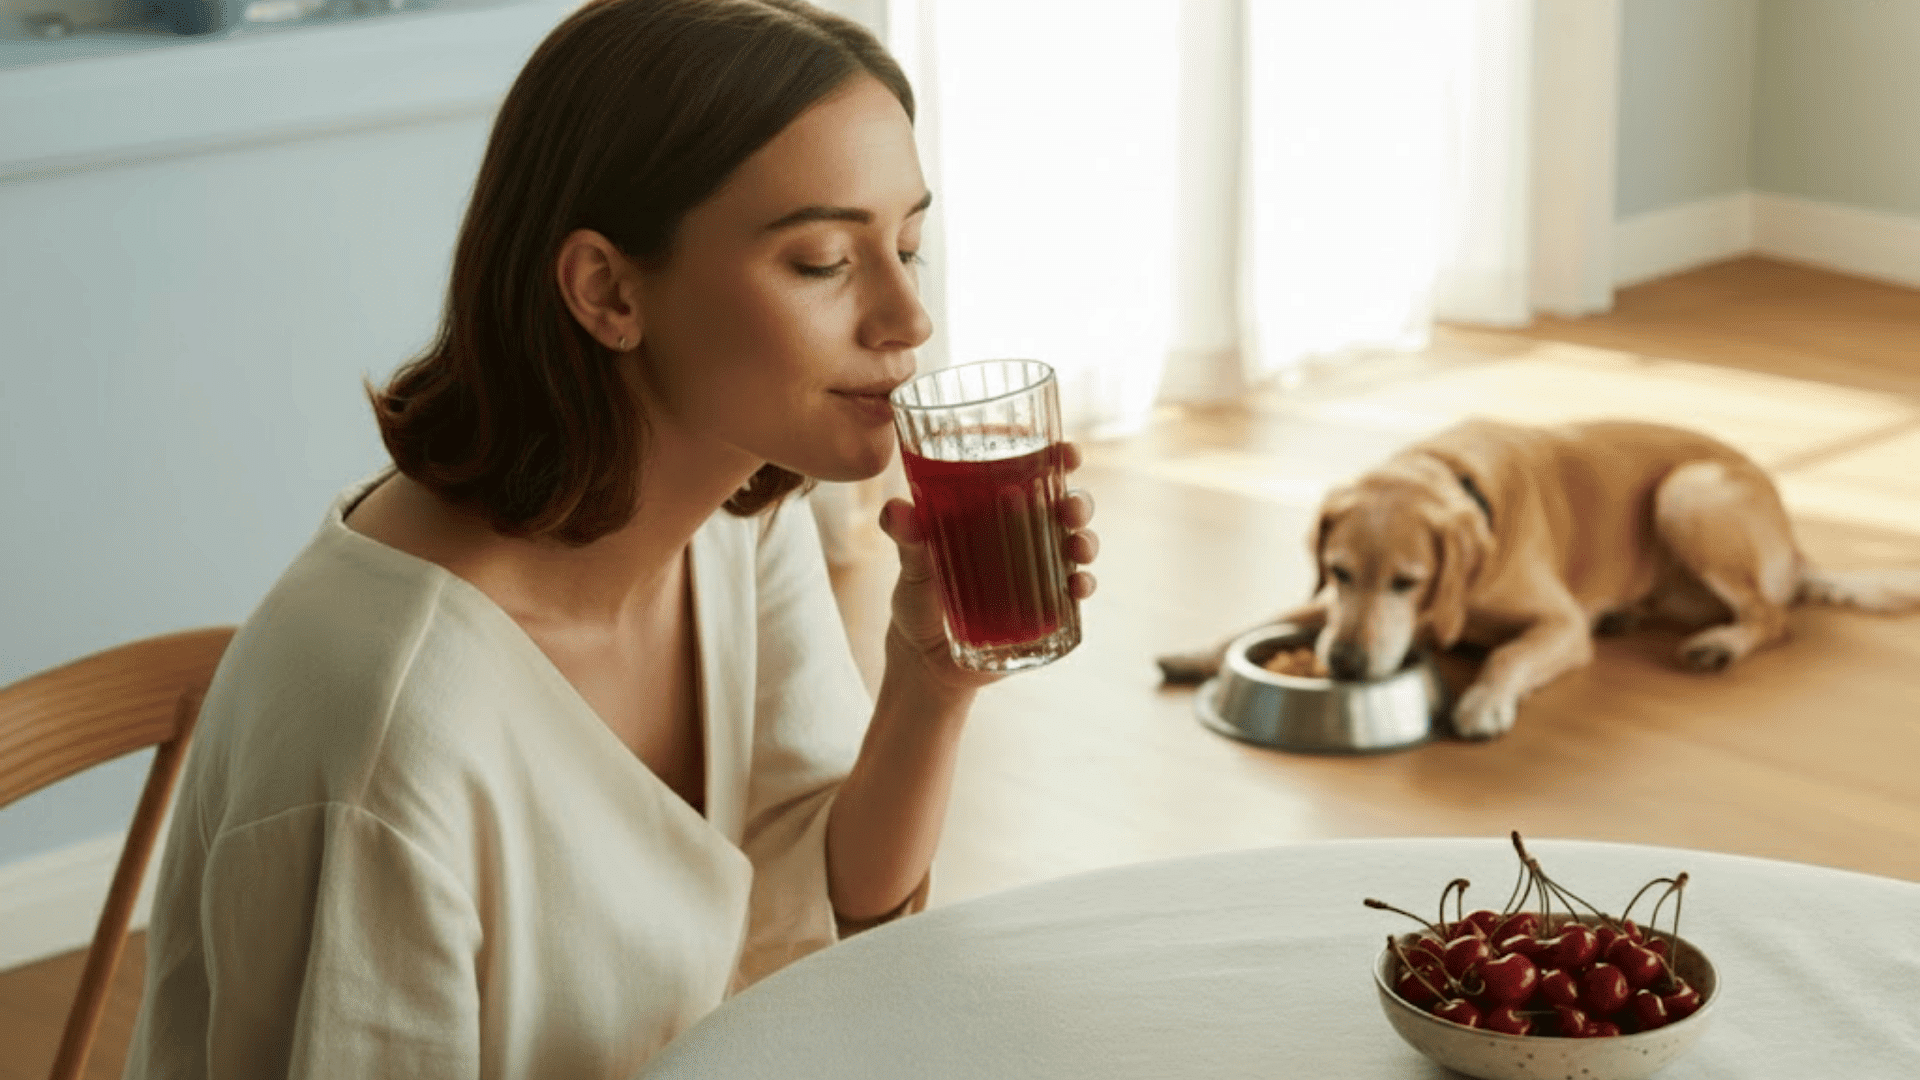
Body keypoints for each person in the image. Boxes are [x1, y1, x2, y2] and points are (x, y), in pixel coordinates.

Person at [121, 1, 1099, 1077]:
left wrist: (929, 691)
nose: (908, 315)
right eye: (824, 260)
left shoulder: (734, 519)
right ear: (608, 290)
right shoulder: (394, 729)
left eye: (907, 242)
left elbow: (805, 922)